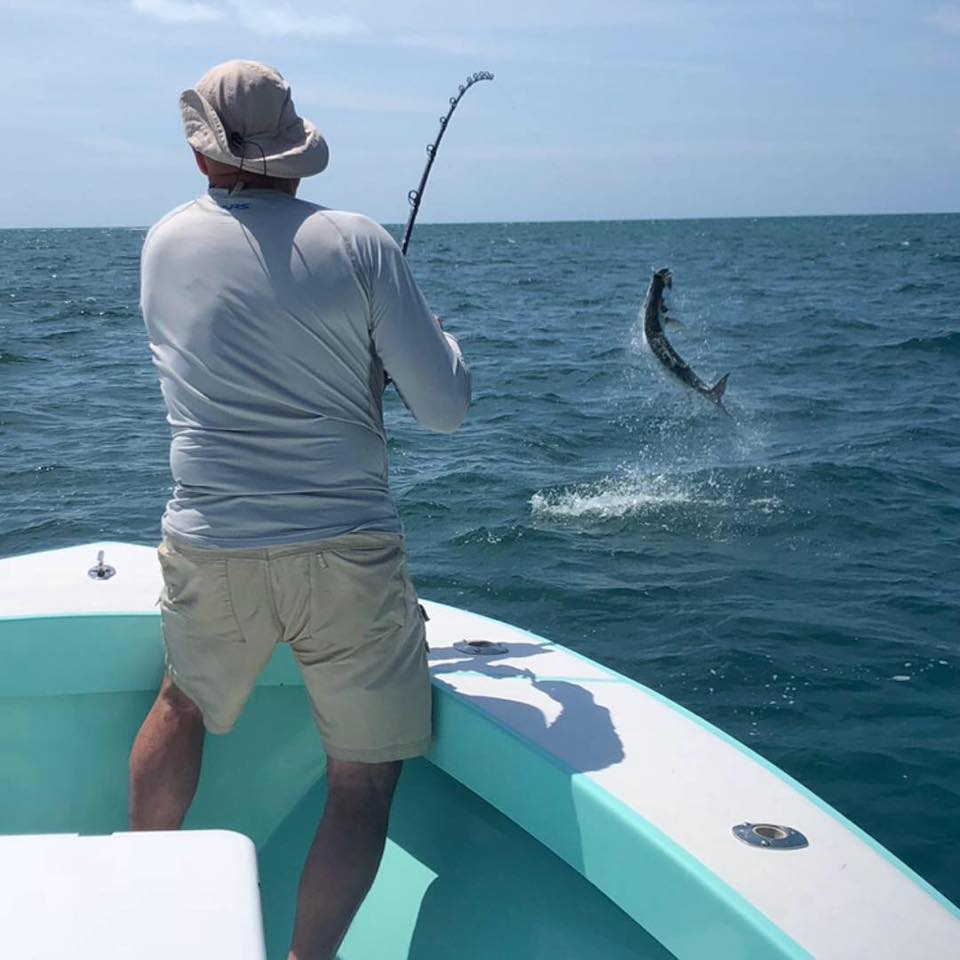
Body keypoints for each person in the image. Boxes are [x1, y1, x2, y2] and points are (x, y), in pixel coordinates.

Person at [129, 60, 471, 960]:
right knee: (359, 784)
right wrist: (436, 350)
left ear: (206, 156)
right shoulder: (360, 243)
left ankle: (133, 916)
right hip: (348, 556)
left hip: (212, 543)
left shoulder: (163, 243)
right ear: (295, 152)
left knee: (182, 705)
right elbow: (445, 411)